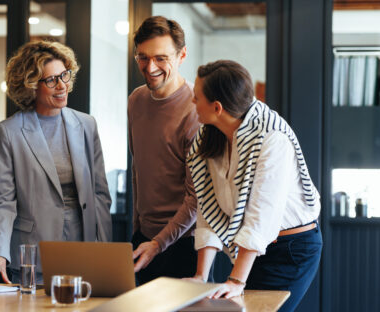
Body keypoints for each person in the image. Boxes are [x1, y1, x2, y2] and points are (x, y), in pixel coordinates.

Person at [187, 60, 322, 312]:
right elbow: (207, 206)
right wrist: (200, 277)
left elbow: (262, 216)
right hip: (253, 250)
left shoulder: (272, 138)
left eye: (196, 98)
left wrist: (236, 280)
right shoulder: (210, 136)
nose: (192, 103)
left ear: (217, 107)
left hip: (292, 250)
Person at [0, 41, 112, 284]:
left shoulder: (86, 125)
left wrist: (104, 251)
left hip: (84, 251)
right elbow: (2, 200)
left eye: (64, 76)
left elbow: (100, 195)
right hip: (33, 254)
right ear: (30, 86)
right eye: (51, 80)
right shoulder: (9, 131)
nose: (62, 86)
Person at [128, 16, 200, 285]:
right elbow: (139, 169)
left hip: (184, 245)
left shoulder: (196, 110)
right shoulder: (136, 100)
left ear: (182, 55)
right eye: (143, 58)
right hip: (143, 239)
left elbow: (196, 198)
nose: (150, 67)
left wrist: (159, 243)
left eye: (161, 58)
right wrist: (138, 232)